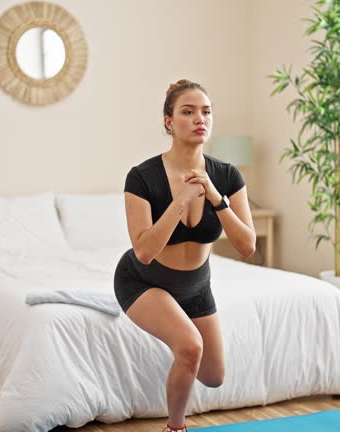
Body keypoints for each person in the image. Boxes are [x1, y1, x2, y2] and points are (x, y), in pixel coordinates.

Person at [113, 79, 257, 432]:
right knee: (190, 347)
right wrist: (180, 201)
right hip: (144, 280)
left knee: (214, 375)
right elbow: (144, 251)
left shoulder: (227, 175)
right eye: (188, 112)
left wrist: (215, 198)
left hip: (196, 286)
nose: (199, 119)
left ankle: (178, 344)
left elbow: (248, 246)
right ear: (168, 121)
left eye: (206, 112)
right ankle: (175, 428)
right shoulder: (141, 177)